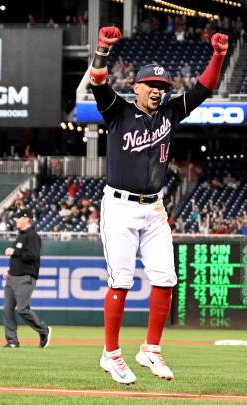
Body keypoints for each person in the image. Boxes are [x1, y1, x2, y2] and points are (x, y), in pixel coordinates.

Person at [88, 26, 228, 384]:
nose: (157, 90)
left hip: (154, 208)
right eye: (151, 84)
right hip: (119, 206)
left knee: (165, 278)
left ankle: (150, 349)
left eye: (162, 86)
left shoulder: (169, 113)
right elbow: (98, 81)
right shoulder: (117, 110)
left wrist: (219, 56)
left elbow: (204, 88)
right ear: (136, 87)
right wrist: (103, 48)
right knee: (120, 282)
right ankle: (111, 355)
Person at [2, 208, 51, 349]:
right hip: (12, 277)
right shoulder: (21, 236)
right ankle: (12, 341)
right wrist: (10, 270)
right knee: (7, 309)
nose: (16, 220)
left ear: (26, 219)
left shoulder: (32, 236)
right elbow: (19, 259)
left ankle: (44, 330)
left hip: (25, 277)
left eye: (19, 218)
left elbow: (33, 255)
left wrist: (15, 252)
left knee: (22, 309)